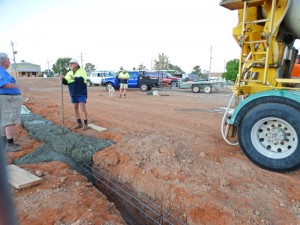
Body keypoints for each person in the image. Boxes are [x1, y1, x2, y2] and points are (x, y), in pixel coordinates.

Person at [0, 53, 23, 152]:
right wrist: (19, 87)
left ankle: (5, 142)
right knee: (10, 119)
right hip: (8, 99)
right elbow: (3, 84)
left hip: (7, 98)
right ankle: (10, 144)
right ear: (4, 61)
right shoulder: (1, 72)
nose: (9, 62)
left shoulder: (3, 71)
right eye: (9, 60)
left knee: (5, 120)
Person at [62, 59, 89, 130]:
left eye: (72, 63)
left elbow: (83, 79)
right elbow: (66, 82)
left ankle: (85, 123)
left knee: (82, 108)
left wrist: (75, 78)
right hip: (73, 92)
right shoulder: (69, 73)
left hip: (81, 92)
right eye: (70, 64)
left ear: (76, 64)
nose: (70, 65)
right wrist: (62, 79)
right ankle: (79, 122)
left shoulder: (82, 70)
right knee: (75, 108)